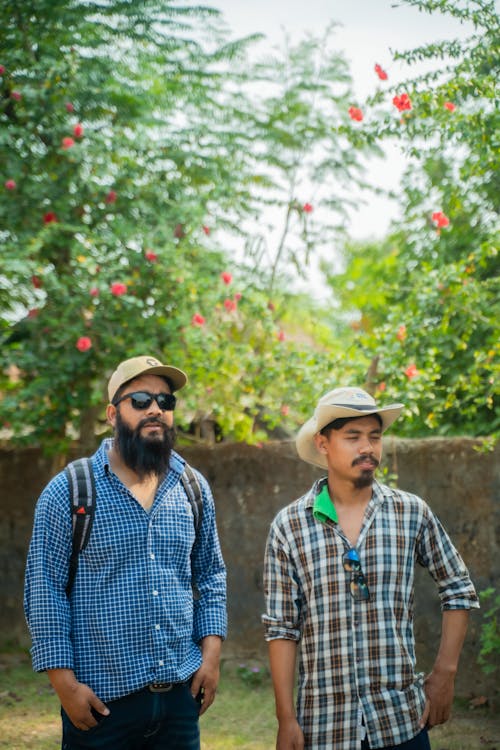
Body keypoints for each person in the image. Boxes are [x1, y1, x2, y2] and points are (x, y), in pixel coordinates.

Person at [24, 355, 227, 750]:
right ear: (112, 413)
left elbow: (211, 575)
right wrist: (65, 686)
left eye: (165, 402)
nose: (155, 409)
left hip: (180, 703)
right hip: (101, 706)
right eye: (140, 400)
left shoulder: (192, 487)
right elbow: (44, 591)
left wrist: (212, 656)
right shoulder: (70, 491)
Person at [262, 386, 479, 750]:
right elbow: (282, 628)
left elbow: (457, 586)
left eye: (374, 437)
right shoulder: (289, 526)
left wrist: (445, 674)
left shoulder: (411, 512)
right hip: (324, 725)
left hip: (400, 721)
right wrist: (286, 719)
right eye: (353, 437)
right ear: (323, 443)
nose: (367, 447)